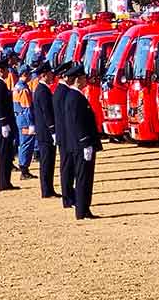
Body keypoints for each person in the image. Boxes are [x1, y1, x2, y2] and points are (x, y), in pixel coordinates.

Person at [63, 63, 102, 220]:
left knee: (85, 177)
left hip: (80, 143)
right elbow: (78, 122)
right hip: (81, 144)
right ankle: (82, 209)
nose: (86, 80)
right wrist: (86, 142)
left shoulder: (75, 96)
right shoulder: (75, 97)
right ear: (78, 79)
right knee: (83, 177)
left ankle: (84, 207)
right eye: (84, 77)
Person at [0, 57, 18, 191]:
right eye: (6, 69)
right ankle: (3, 182)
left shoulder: (0, 84)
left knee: (7, 154)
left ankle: (6, 181)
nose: (8, 71)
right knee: (4, 154)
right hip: (2, 125)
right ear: (1, 70)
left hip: (4, 124)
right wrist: (3, 123)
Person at [31, 61, 59, 198]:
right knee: (47, 161)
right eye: (49, 73)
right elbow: (47, 113)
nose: (52, 75)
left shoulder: (42, 89)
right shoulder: (42, 91)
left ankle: (48, 188)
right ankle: (47, 190)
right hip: (46, 132)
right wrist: (53, 130)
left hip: (44, 131)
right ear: (44, 75)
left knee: (49, 161)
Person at [52, 61, 75, 209]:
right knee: (67, 168)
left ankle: (69, 195)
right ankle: (67, 197)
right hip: (66, 136)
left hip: (65, 135)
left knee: (69, 167)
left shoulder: (62, 90)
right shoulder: (62, 92)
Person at [13, 65, 37, 180]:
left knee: (23, 143)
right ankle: (24, 169)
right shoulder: (23, 88)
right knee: (26, 143)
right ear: (24, 74)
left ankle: (24, 168)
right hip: (25, 120)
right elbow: (27, 107)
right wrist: (31, 123)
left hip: (20, 118)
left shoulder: (18, 85)